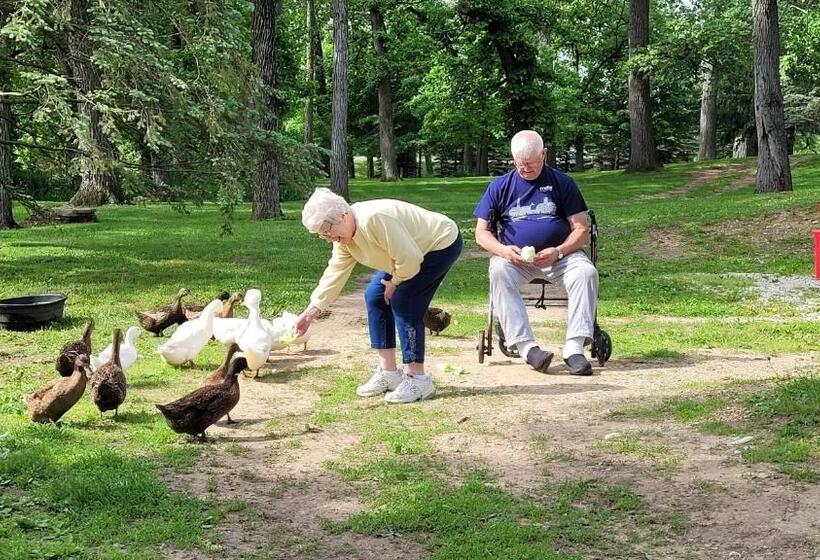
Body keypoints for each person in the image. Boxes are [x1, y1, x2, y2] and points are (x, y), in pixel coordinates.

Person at [295, 188, 462, 403]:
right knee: (375, 296)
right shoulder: (344, 239)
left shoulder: (374, 219)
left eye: (326, 229)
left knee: (404, 301)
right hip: (405, 254)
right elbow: (335, 272)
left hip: (439, 244)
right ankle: (389, 373)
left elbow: (410, 261)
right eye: (320, 234)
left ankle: (418, 379)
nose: (327, 238)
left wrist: (394, 282)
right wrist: (311, 312)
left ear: (344, 216)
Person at [473, 130, 598, 376]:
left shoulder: (563, 183)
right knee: (498, 270)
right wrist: (503, 251)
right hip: (516, 259)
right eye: (520, 165)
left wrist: (559, 251)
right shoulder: (500, 186)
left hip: (561, 257)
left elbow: (581, 229)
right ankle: (527, 348)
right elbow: (481, 233)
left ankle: (574, 349)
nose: (525, 169)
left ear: (544, 155)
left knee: (586, 272)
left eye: (531, 164)